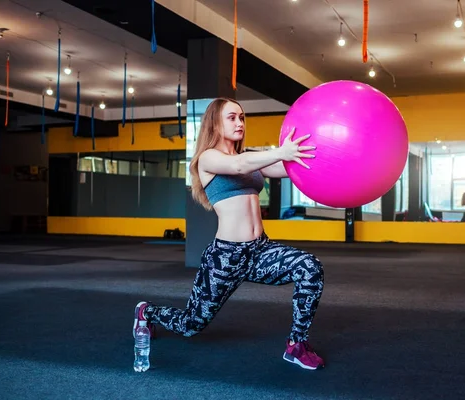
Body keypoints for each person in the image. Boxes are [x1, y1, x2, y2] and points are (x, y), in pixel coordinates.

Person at [132, 97, 326, 371]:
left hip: (260, 250)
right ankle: (146, 312)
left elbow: (288, 167)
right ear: (215, 123)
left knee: (310, 267)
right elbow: (238, 166)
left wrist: (318, 155)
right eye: (232, 117)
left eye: (242, 117)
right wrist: (281, 151)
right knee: (191, 324)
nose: (240, 123)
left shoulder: (249, 158)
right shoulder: (209, 158)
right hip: (225, 257)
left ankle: (297, 345)